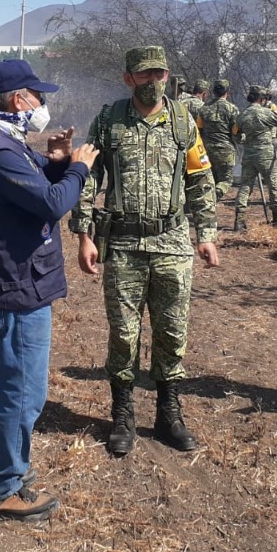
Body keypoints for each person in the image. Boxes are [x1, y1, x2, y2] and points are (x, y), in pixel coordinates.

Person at [0, 60, 99, 521]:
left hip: (13, 279)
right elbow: (53, 202)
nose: (42, 103)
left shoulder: (5, 142)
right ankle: (3, 487)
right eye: (38, 95)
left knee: (8, 379)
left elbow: (38, 183)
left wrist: (57, 162)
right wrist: (78, 169)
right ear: (19, 99)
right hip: (15, 286)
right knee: (23, 390)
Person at [71, 46, 220, 456]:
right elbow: (88, 177)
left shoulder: (183, 121)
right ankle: (123, 414)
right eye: (144, 74)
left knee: (172, 330)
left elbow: (200, 179)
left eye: (159, 74)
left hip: (172, 243)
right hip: (123, 245)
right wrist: (83, 233)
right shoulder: (109, 121)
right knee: (124, 333)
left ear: (168, 76)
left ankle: (169, 414)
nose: (153, 81)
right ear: (128, 78)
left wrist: (206, 234)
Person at [231, 84, 277, 230]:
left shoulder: (242, 115)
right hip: (266, 154)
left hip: (249, 154)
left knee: (245, 186)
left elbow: (235, 135)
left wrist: (245, 140)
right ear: (262, 99)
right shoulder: (266, 112)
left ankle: (239, 220)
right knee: (273, 184)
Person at [197, 79, 239, 200]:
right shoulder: (232, 109)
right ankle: (214, 196)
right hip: (225, 151)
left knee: (210, 179)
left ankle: (208, 200)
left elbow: (198, 128)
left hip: (206, 151)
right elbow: (235, 131)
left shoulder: (203, 108)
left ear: (213, 92)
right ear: (227, 92)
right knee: (226, 180)